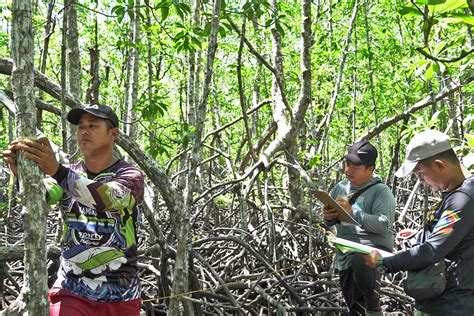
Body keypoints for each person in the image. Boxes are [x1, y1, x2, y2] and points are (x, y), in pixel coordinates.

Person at [3, 104, 144, 316]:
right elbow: (43, 197)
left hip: (121, 291)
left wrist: (57, 171)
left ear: (114, 134)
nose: (84, 131)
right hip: (72, 288)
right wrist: (23, 174)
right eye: (81, 127)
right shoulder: (66, 174)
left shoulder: (131, 176)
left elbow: (108, 198)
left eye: (93, 126)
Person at [365, 129, 474, 315]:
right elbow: (451, 240)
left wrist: (386, 261)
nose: (421, 181)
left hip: (454, 305)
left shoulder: (464, 198)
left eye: (420, 174)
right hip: (438, 300)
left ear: (440, 165)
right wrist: (416, 237)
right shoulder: (455, 193)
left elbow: (432, 250)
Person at [323, 140, 395, 316]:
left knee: (364, 298)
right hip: (345, 254)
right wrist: (328, 218)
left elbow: (384, 225)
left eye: (355, 167)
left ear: (370, 169)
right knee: (354, 307)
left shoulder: (380, 191)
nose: (348, 170)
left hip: (372, 253)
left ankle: (374, 304)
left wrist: (353, 212)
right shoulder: (340, 187)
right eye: (347, 164)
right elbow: (331, 223)